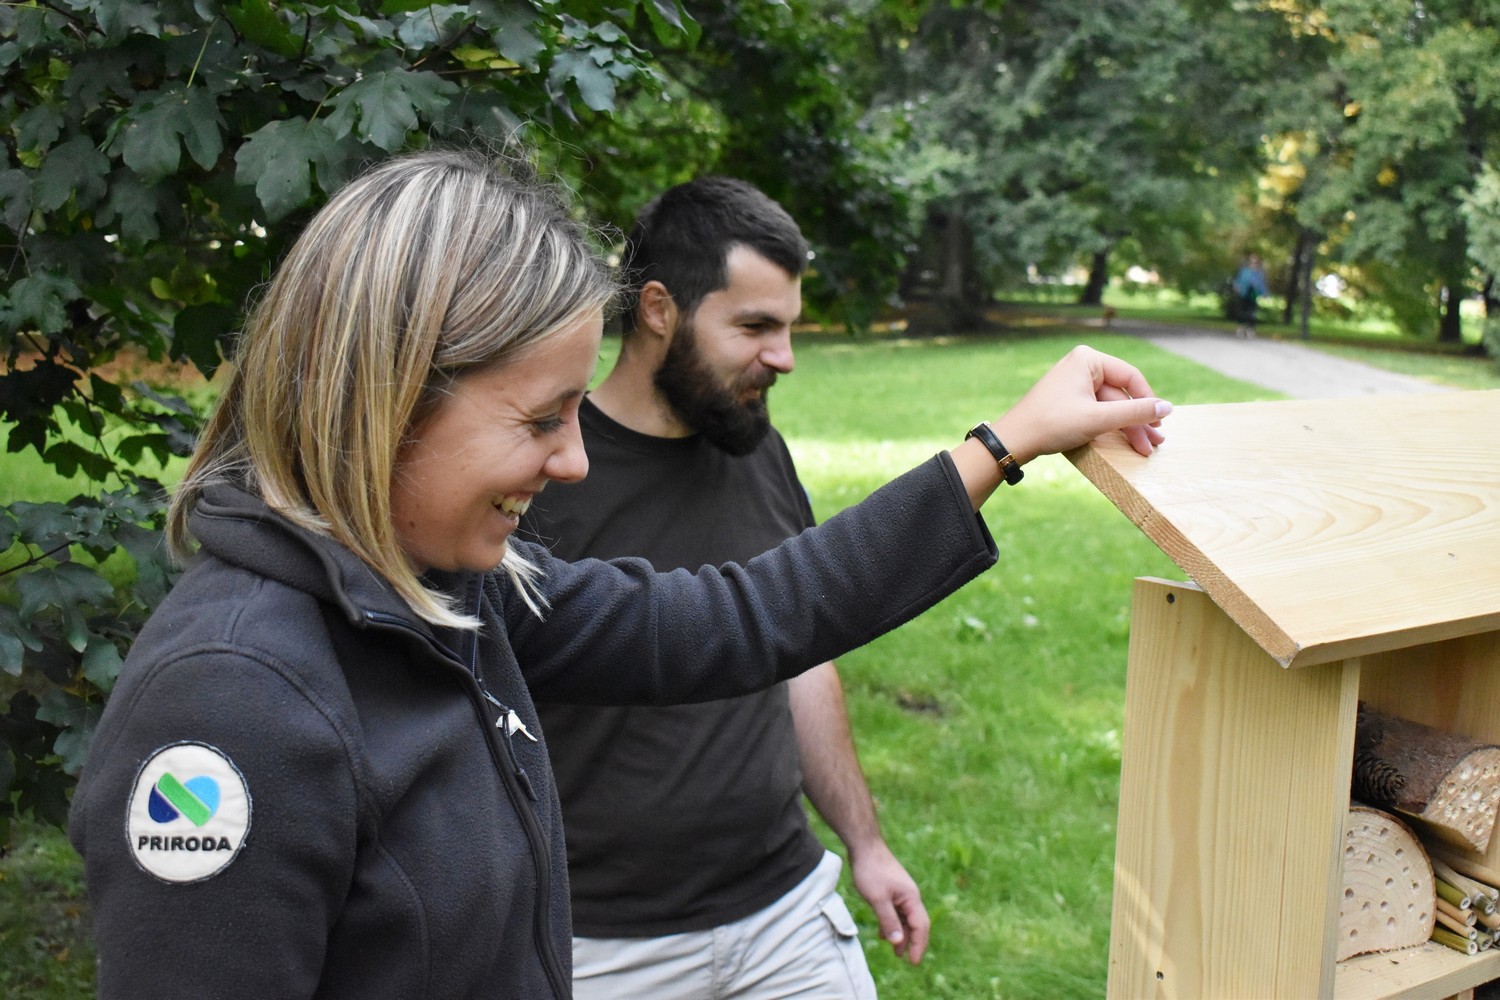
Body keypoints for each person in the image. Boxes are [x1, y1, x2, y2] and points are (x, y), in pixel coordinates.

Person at [66, 147, 1171, 1000]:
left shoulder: (447, 591)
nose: (575, 458)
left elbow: (747, 617)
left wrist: (1003, 443)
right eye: (542, 419)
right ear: (390, 400)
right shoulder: (229, 704)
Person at [520, 177, 922, 999]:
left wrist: (867, 843)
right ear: (661, 309)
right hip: (599, 941)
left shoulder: (755, 451)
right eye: (755, 326)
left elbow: (801, 652)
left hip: (783, 908)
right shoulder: (542, 476)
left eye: (788, 327)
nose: (785, 357)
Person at [1232, 253, 1270, 338]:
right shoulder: (1244, 271)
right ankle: (1240, 328)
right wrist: (1236, 287)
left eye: (1255, 262)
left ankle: (1250, 330)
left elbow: (1262, 284)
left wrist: (1264, 293)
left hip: (1253, 294)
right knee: (1242, 311)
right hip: (1244, 292)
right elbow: (1238, 280)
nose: (1253, 264)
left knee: (1252, 312)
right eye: (1252, 262)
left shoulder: (1259, 273)